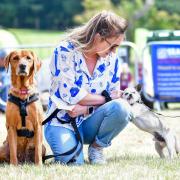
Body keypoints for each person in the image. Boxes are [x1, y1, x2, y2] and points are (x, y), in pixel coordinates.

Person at [44, 11, 133, 165]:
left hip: (91, 120)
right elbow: (72, 97)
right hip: (62, 122)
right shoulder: (65, 51)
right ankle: (67, 150)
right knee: (74, 164)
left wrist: (86, 108)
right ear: (98, 37)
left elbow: (115, 99)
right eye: (113, 46)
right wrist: (106, 98)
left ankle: (97, 148)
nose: (114, 52)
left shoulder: (113, 59)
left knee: (122, 108)